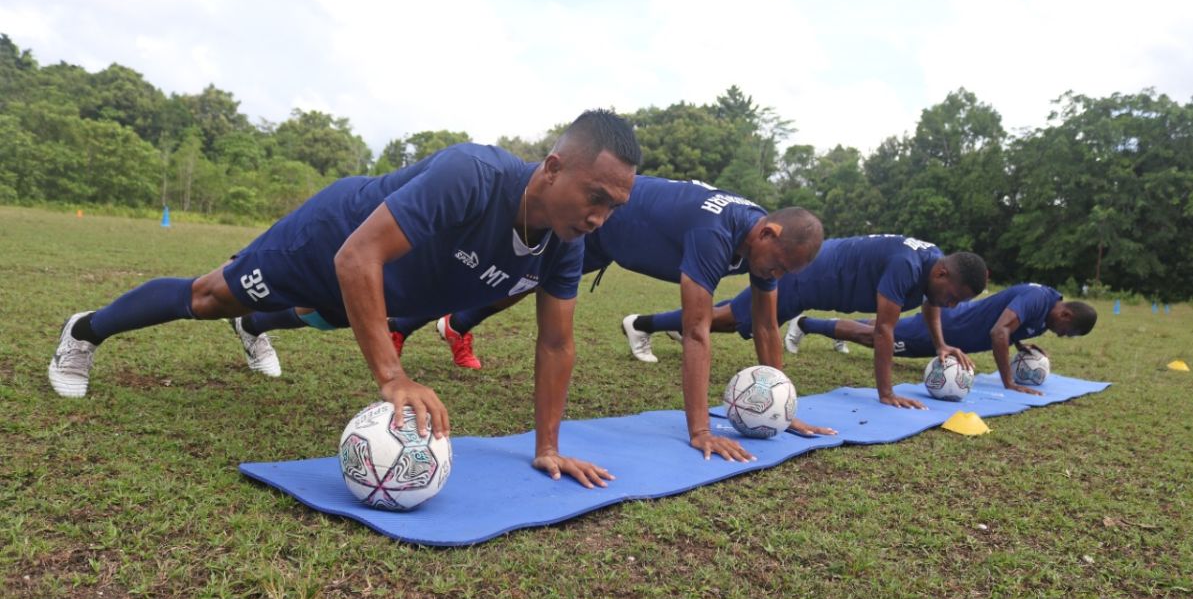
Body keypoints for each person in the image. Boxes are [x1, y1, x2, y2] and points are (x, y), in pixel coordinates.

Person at [48, 110, 640, 488]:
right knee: (208, 298)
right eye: (595, 197)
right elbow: (357, 258)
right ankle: (84, 332)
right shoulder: (473, 175)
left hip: (390, 284)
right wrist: (393, 376)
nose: (599, 217)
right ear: (552, 168)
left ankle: (257, 327)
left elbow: (557, 342)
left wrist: (548, 448)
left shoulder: (565, 242)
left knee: (324, 316)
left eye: (614, 206)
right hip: (330, 240)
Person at [389, 176, 829, 460]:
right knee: (507, 278)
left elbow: (767, 325)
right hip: (599, 221)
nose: (776, 276)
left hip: (614, 240)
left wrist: (784, 407)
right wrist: (699, 430)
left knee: (522, 285)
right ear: (768, 233)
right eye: (779, 267)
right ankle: (402, 323)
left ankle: (456, 325)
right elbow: (695, 331)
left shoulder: (763, 249)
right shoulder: (716, 232)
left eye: (785, 273)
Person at [637, 234, 989, 409]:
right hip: (806, 278)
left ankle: (670, 324)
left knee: (733, 315)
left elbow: (932, 302)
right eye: (954, 297)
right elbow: (884, 330)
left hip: (817, 282)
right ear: (943, 272)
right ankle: (643, 324)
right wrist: (886, 393)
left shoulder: (935, 267)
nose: (951, 304)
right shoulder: (908, 266)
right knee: (732, 319)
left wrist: (941, 343)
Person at [791, 283, 1097, 395]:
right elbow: (998, 332)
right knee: (876, 337)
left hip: (951, 334)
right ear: (1067, 315)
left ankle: (830, 328)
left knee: (880, 328)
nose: (1061, 335)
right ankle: (806, 323)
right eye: (1067, 331)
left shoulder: (1044, 315)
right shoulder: (1038, 297)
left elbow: (1011, 328)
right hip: (943, 329)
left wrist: (1021, 346)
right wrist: (1009, 383)